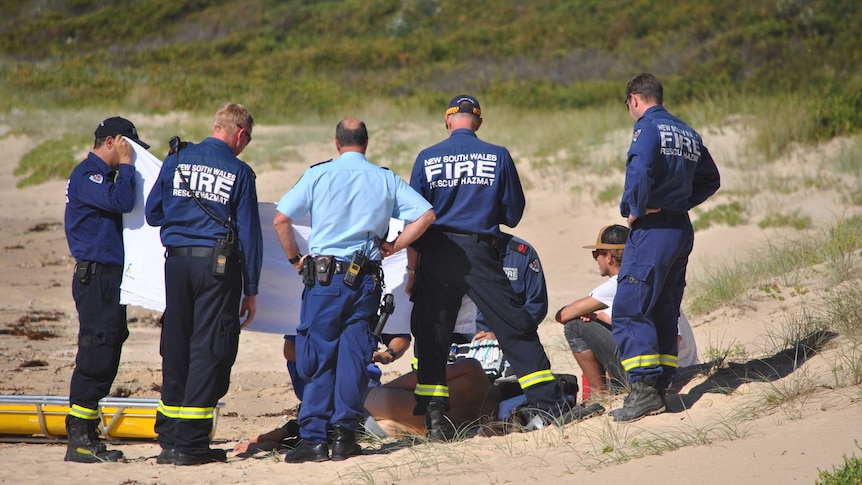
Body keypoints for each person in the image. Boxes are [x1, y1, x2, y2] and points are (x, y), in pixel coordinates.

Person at [408, 95, 585, 439]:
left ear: (447, 121)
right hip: (478, 250)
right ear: (478, 122)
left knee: (432, 334)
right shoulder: (497, 155)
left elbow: (415, 217)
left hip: (435, 250)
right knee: (513, 324)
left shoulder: (426, 158)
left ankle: (433, 419)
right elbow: (513, 212)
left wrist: (413, 272)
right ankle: (547, 405)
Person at [274, 119, 435, 463]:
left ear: (336, 143)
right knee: (353, 357)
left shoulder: (318, 175)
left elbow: (281, 219)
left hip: (325, 279)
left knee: (318, 355)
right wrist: (394, 245)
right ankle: (345, 437)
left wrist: (294, 260)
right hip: (365, 280)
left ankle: (314, 438)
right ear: (366, 143)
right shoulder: (385, 178)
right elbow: (426, 215)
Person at [145, 103, 263, 465]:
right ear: (240, 134)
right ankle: (192, 443)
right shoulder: (239, 171)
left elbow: (153, 214)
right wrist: (252, 289)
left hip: (176, 264)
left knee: (176, 343)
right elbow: (249, 236)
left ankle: (169, 439)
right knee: (209, 348)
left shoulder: (176, 159)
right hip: (217, 269)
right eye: (247, 140)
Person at [611, 73, 720, 421]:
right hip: (680, 229)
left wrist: (637, 209)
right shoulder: (687, 131)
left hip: (653, 230)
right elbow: (711, 179)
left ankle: (643, 391)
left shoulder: (647, 128)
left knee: (630, 307)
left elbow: (639, 170)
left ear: (634, 99)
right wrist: (680, 202)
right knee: (662, 308)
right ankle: (661, 387)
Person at [63, 116, 149, 463]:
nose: (131, 156)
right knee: (96, 351)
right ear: (112, 141)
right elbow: (121, 202)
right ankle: (79, 437)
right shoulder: (89, 175)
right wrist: (127, 167)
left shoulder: (105, 177)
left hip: (110, 277)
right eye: (128, 148)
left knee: (111, 344)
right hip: (96, 276)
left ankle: (88, 431)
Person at [555, 224, 699, 398]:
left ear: (609, 258)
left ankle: (597, 395)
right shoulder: (648, 279)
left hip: (662, 375)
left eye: (596, 254)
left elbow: (563, 315)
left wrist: (591, 315)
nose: (595, 259)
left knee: (575, 326)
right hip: (683, 366)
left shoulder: (617, 284)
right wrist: (598, 317)